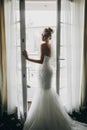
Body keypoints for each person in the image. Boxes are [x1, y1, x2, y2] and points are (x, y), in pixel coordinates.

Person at [23, 27, 87, 130]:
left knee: (44, 92)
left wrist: (27, 58)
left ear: (48, 36)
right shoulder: (50, 45)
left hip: (44, 70)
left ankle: (44, 118)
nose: (42, 36)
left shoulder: (43, 45)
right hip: (48, 70)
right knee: (46, 91)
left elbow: (41, 61)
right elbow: (46, 60)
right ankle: (49, 117)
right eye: (42, 35)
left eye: (44, 35)